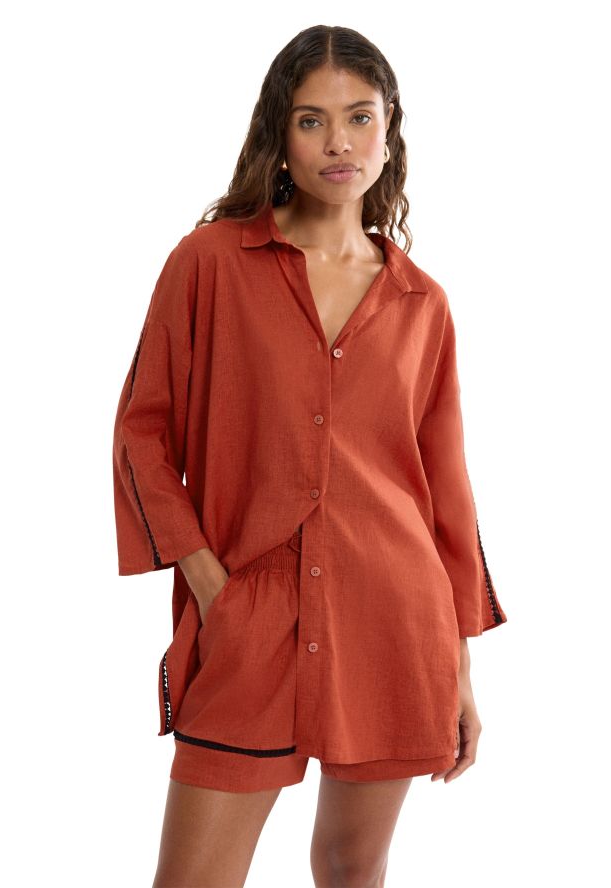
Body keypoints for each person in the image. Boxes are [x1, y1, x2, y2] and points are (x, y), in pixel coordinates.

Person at [112, 24, 507, 888]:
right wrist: (208, 581)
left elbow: (446, 492)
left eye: (360, 117)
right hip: (251, 616)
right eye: (312, 120)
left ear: (390, 131)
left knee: (349, 866)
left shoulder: (422, 303)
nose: (339, 143)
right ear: (279, 135)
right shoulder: (210, 264)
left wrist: (459, 666)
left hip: (394, 623)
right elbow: (142, 431)